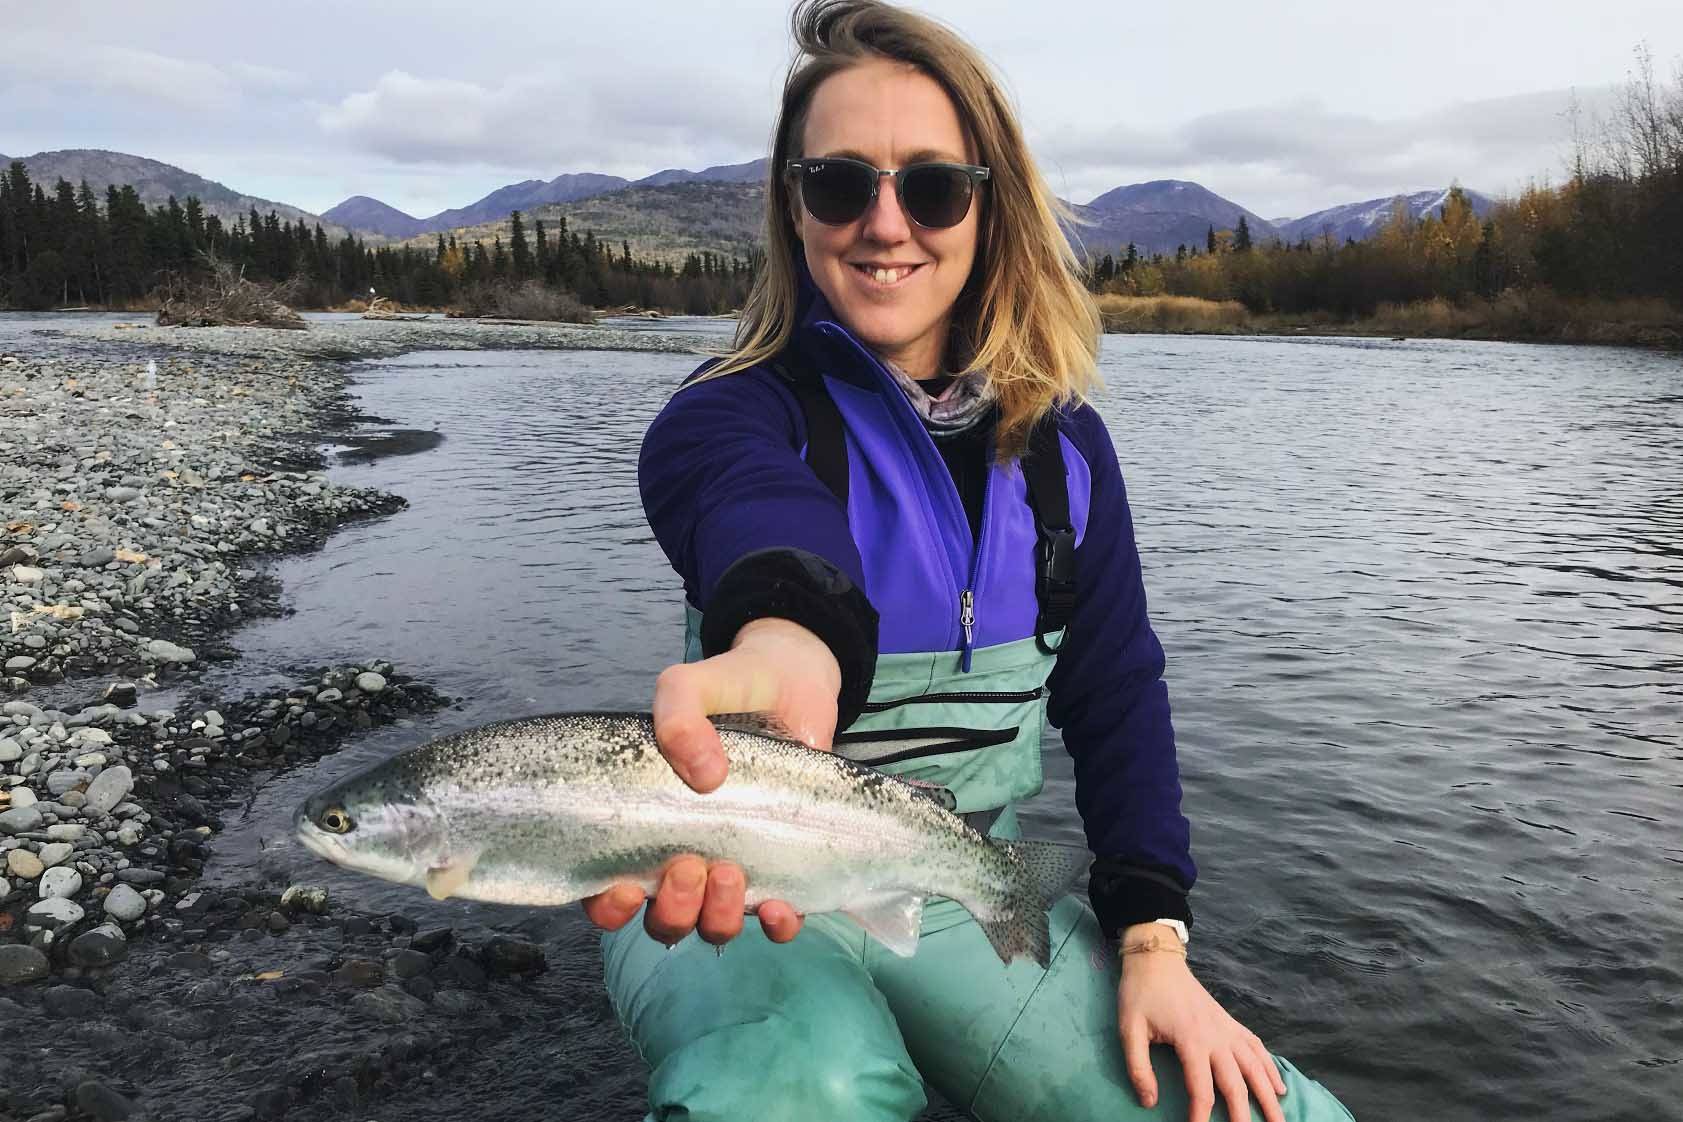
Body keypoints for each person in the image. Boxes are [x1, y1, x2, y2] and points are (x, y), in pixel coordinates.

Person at [584, 3, 1357, 1119]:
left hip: (957, 884)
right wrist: (789, 636)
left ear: (990, 209)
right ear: (795, 210)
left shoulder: (1070, 455)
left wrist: (1152, 938)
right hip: (725, 887)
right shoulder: (723, 419)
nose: (885, 224)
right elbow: (765, 526)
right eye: (841, 185)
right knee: (801, 1090)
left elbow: (1115, 694)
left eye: (932, 187)